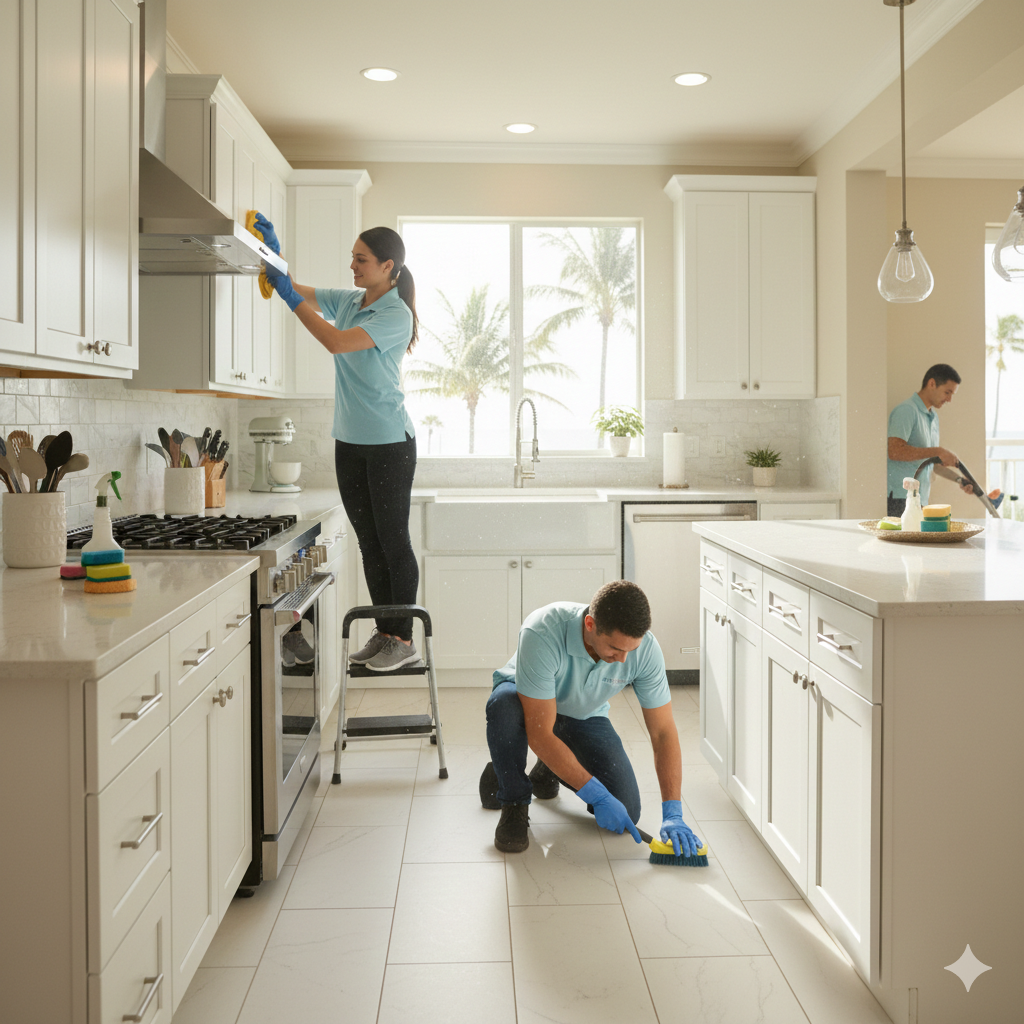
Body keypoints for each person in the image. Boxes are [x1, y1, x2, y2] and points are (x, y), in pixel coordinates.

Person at [257, 214, 420, 672]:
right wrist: (273, 252)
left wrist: (290, 299)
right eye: (352, 257)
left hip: (389, 443)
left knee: (393, 541)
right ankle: (385, 631)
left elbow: (334, 340)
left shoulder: (394, 314)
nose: (353, 265)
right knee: (369, 542)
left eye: (361, 259)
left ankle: (403, 639)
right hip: (349, 442)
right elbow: (298, 286)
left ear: (388, 267)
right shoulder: (350, 299)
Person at [478, 579, 703, 857]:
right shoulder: (543, 630)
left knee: (627, 810)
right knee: (503, 707)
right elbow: (540, 734)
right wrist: (594, 794)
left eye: (629, 650)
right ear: (589, 625)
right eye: (614, 648)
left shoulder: (644, 651)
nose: (622, 659)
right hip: (526, 705)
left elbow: (663, 732)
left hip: (582, 714)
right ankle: (513, 799)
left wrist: (673, 811)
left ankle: (548, 767)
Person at [886, 363, 973, 516]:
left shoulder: (933, 417)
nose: (949, 399)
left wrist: (960, 480)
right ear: (932, 383)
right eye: (947, 392)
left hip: (920, 499)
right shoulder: (906, 410)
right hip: (901, 498)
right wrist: (938, 451)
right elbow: (894, 451)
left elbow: (929, 462)